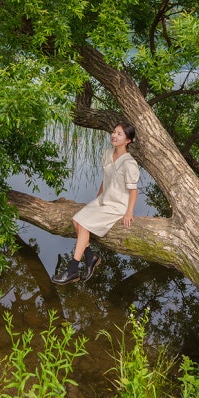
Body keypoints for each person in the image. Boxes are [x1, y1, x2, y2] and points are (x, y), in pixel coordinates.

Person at [52, 121, 140, 285]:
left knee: (83, 225)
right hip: (103, 199)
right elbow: (106, 179)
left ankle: (72, 269)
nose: (114, 135)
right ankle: (90, 257)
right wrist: (97, 198)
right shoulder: (107, 154)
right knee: (75, 219)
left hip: (117, 205)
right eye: (114, 132)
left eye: (119, 134)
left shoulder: (130, 164)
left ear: (128, 140)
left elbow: (133, 191)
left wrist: (129, 213)